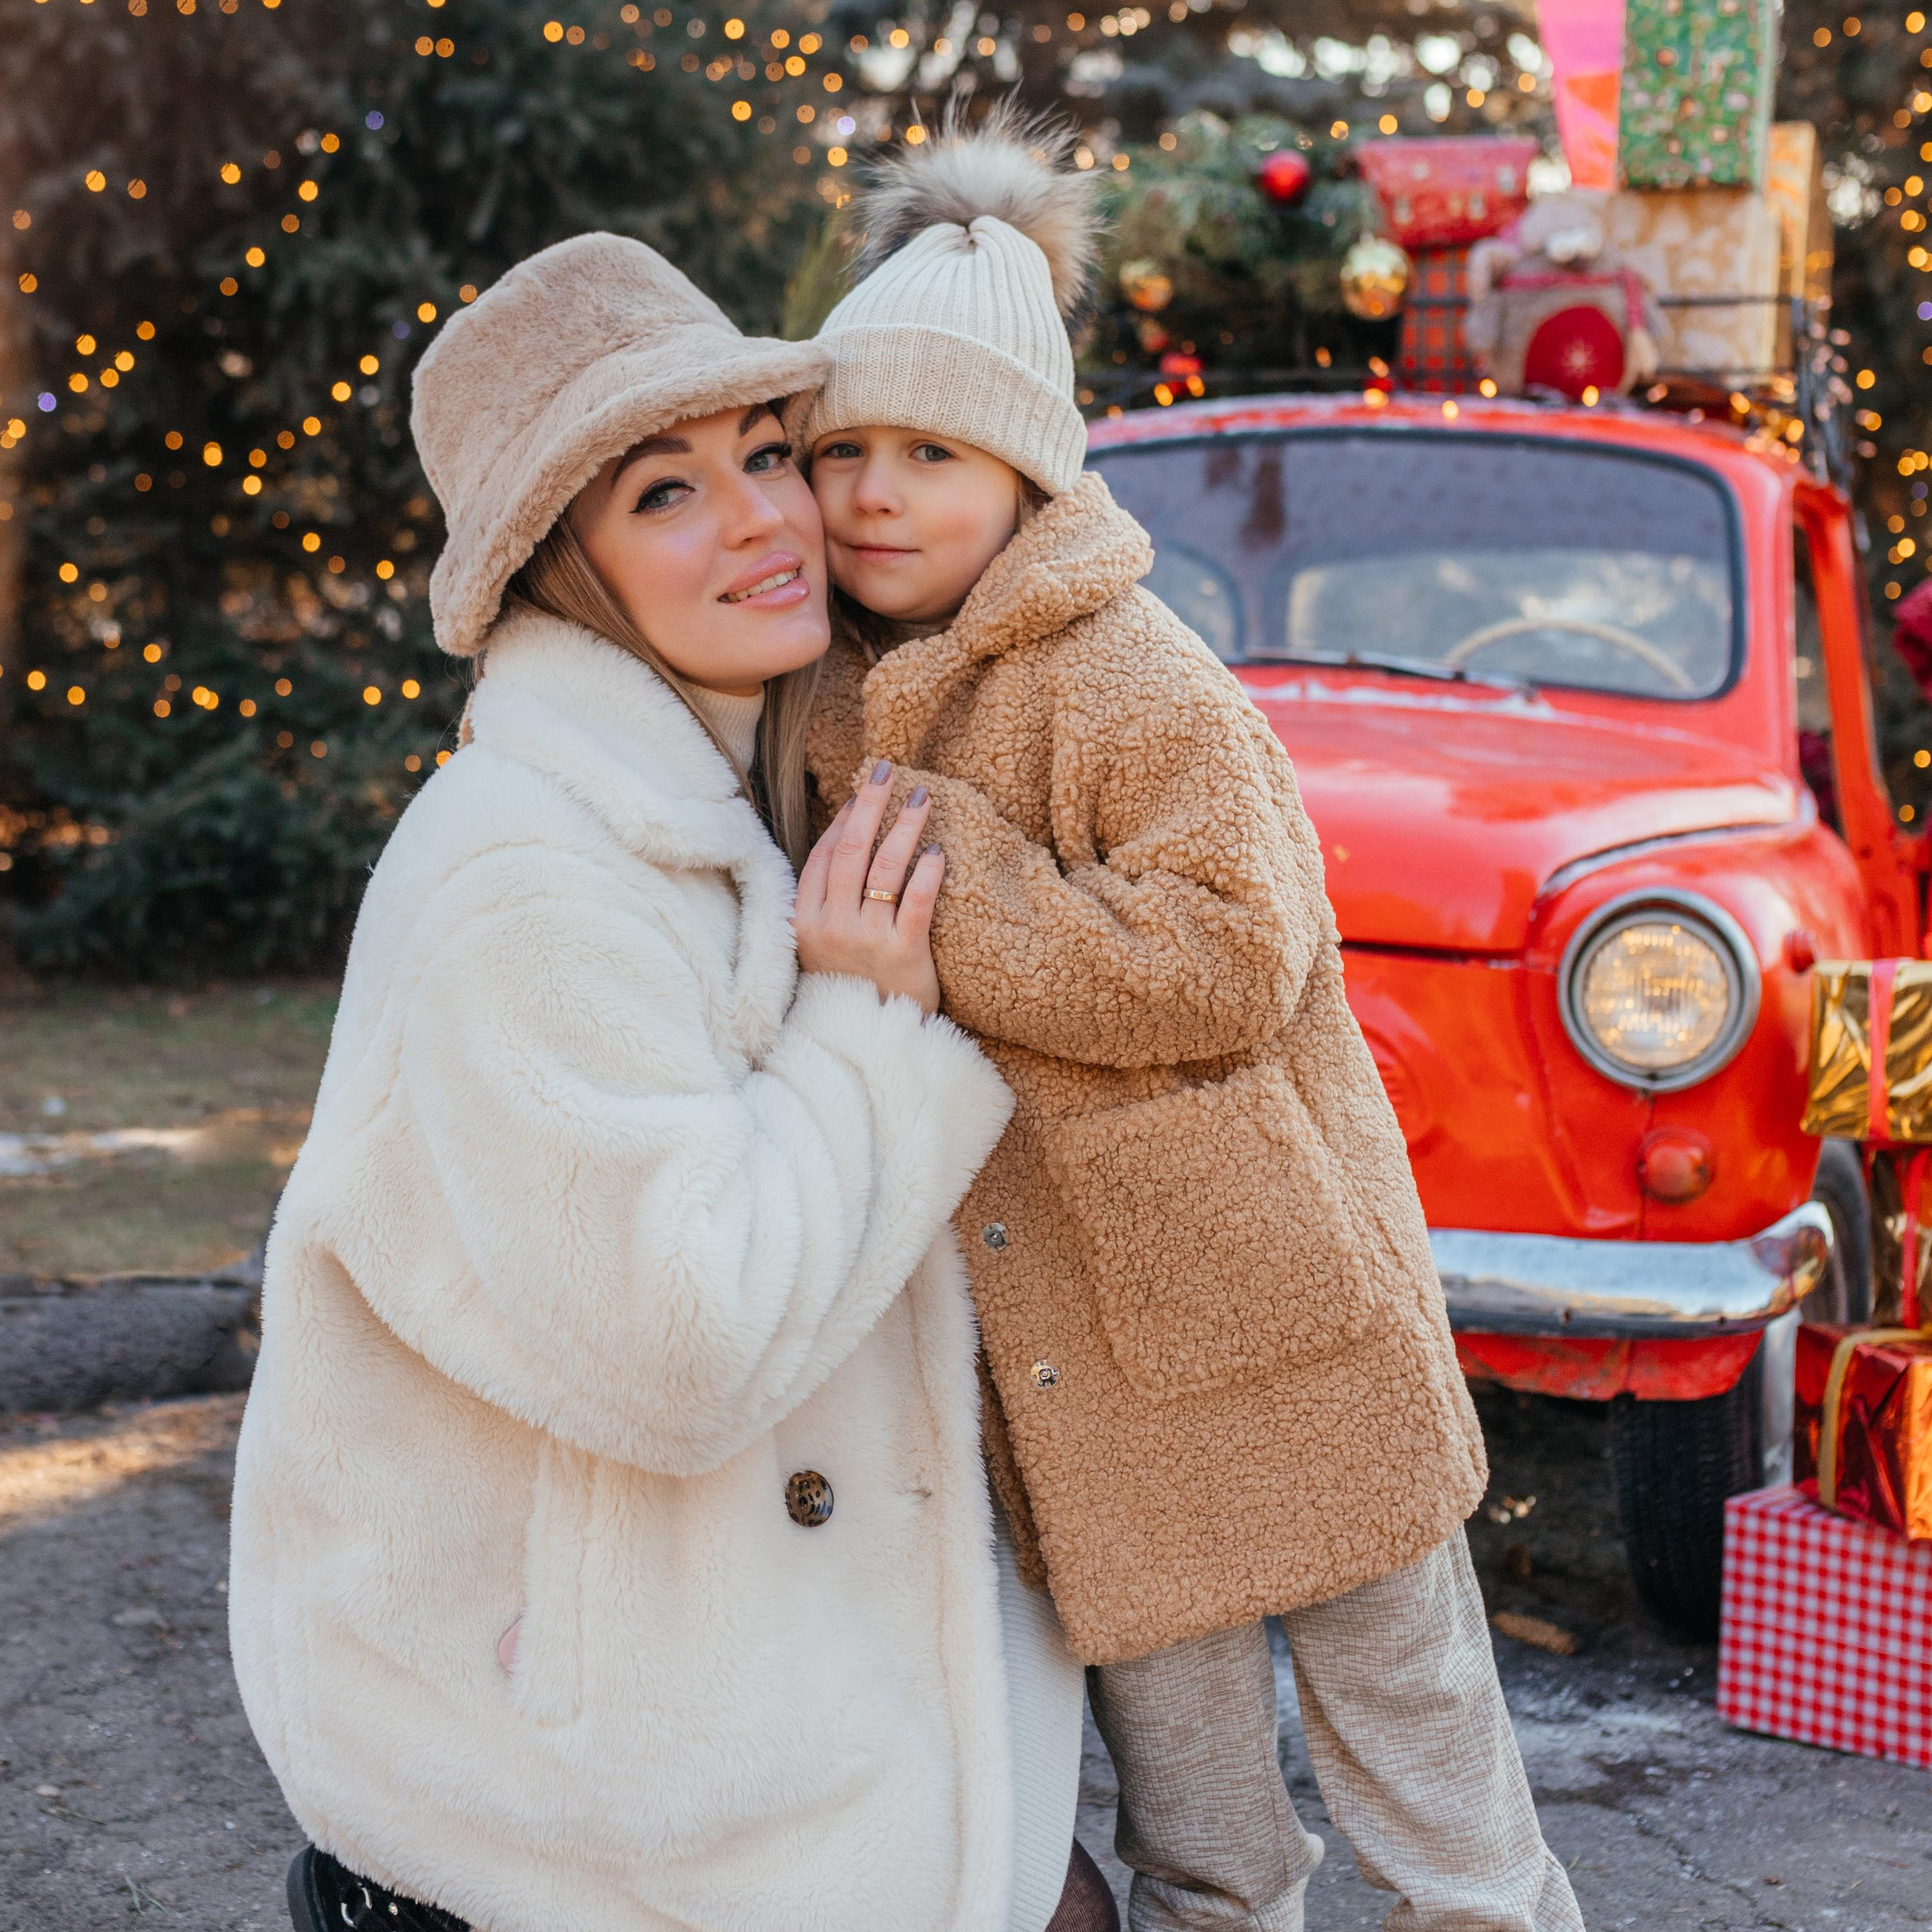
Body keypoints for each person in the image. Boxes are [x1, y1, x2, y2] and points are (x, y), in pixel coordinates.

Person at [229, 231, 1112, 1932]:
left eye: (766, 455)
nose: (766, 520)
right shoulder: (525, 874)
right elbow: (681, 1338)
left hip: (779, 1709)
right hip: (593, 1785)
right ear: (559, 569)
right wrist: (870, 1031)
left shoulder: (748, 796)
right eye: (664, 493)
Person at [796, 110, 1586, 1932]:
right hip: (1078, 1367)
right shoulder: (836, 688)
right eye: (842, 450)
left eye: (929, 451)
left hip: (1279, 1312)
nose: (873, 494)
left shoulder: (1131, 675)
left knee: (1435, 1794)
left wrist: (951, 886)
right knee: (1201, 1835)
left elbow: (1225, 959)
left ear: (1026, 470)